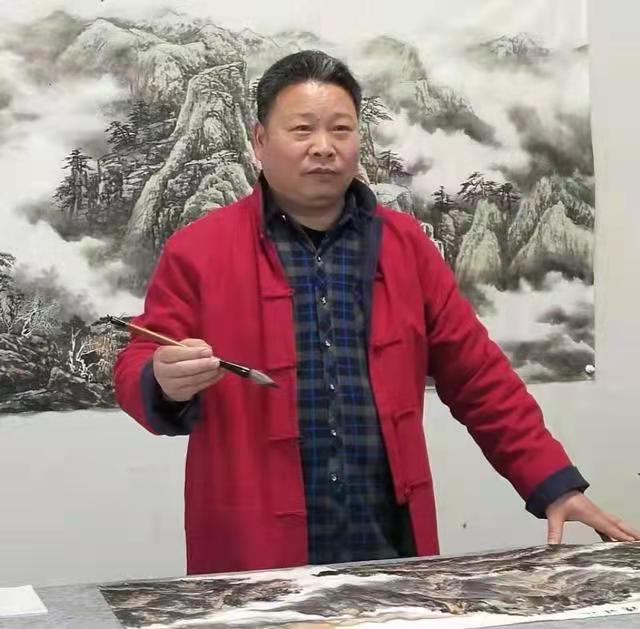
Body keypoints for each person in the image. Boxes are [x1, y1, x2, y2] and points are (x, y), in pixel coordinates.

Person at [114, 50, 639, 575]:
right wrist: (162, 379)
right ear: (259, 141)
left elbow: (480, 378)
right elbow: (139, 359)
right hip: (252, 551)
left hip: (389, 544)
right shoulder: (199, 249)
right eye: (302, 130)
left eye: (341, 129)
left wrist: (553, 484)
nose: (324, 147)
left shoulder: (405, 246)